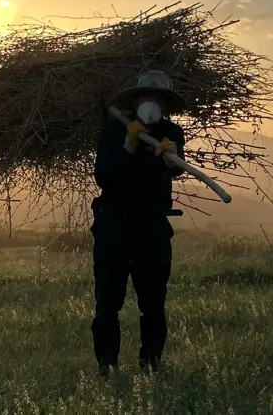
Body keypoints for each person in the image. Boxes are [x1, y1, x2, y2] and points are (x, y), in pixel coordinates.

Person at [90, 70, 188, 377]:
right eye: (147, 97)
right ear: (135, 100)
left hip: (153, 228)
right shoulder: (114, 129)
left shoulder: (171, 133)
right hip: (113, 227)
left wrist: (170, 156)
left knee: (153, 302)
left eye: (157, 99)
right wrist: (128, 146)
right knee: (108, 303)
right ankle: (107, 366)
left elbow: (176, 172)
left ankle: (151, 364)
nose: (151, 103)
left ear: (165, 105)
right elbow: (104, 176)